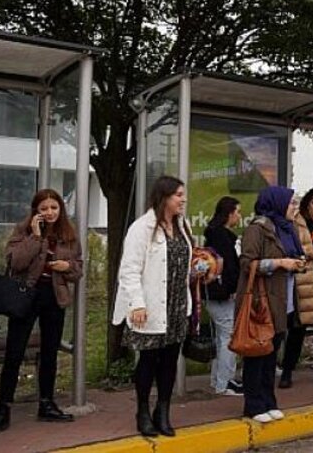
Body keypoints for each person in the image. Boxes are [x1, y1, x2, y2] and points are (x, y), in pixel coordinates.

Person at [0, 189, 83, 434]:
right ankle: (4, 408)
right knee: (14, 352)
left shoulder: (69, 234)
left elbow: (78, 269)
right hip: (26, 296)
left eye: (54, 208)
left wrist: (67, 266)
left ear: (60, 209)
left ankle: (46, 403)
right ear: (36, 211)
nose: (50, 213)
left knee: (50, 352)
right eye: (44, 208)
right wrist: (34, 236)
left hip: (54, 296)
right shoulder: (23, 230)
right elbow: (15, 263)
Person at [111, 176, 193, 437]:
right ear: (164, 197)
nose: (183, 199)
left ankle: (163, 410)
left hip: (178, 305)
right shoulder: (142, 228)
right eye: (179, 195)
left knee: (170, 360)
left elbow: (183, 262)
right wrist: (136, 302)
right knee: (148, 360)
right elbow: (129, 270)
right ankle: (143, 412)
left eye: (183, 194)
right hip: (149, 306)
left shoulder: (183, 225)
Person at [237, 186, 305, 423]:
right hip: (261, 302)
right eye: (291, 203)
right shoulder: (258, 228)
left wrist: (296, 263)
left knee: (271, 353)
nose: (294, 208)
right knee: (257, 354)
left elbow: (294, 256)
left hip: (282, 302)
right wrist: (279, 263)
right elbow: (247, 263)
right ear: (277, 204)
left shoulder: (287, 229)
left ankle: (268, 400)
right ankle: (253, 404)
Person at [279, 188, 313, 388]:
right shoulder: (298, 223)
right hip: (304, 281)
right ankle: (288, 370)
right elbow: (297, 247)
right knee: (297, 329)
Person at [203, 197, 245, 397]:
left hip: (213, 293)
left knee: (222, 337)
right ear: (229, 214)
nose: (239, 216)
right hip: (222, 294)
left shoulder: (213, 234)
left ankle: (218, 379)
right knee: (228, 338)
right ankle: (224, 383)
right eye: (237, 212)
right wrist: (233, 288)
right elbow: (228, 267)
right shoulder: (223, 237)